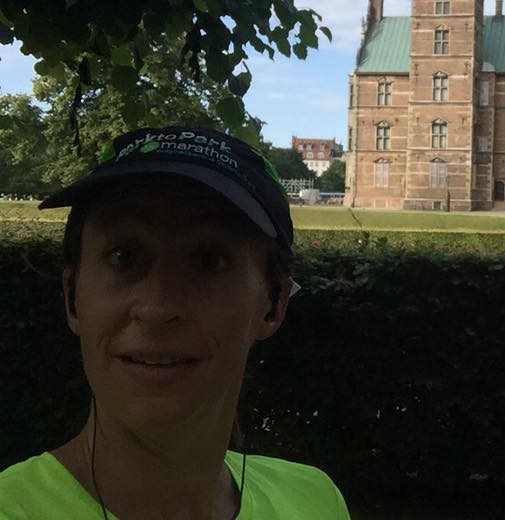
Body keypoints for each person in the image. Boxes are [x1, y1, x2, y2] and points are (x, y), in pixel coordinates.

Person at [0, 126, 349, 519]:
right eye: (124, 257)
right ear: (72, 297)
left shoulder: (316, 501)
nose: (157, 307)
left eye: (209, 260)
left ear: (273, 305)